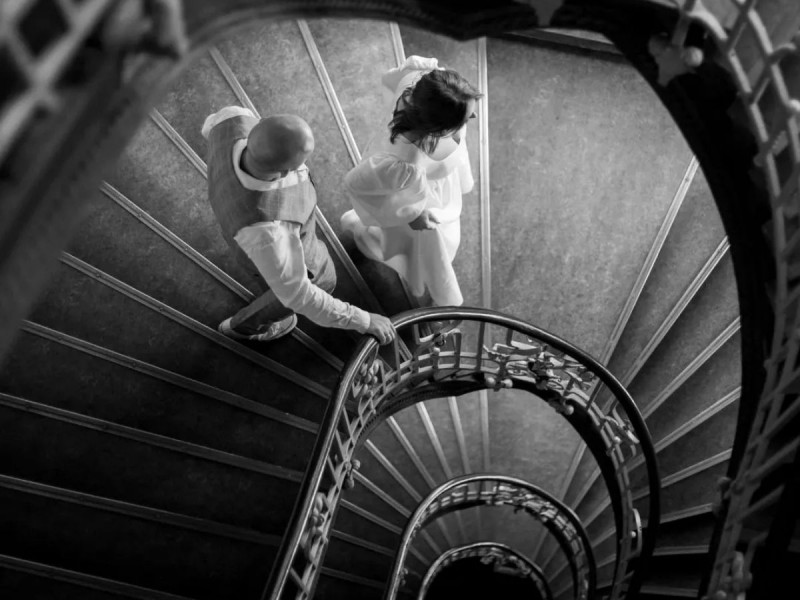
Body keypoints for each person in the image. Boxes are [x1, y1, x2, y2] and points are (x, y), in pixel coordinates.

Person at [203, 106, 396, 345]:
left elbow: (209, 129)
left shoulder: (232, 118)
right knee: (287, 293)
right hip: (281, 253)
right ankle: (242, 328)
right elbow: (298, 295)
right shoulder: (269, 233)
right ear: (286, 172)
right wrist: (364, 320)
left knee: (277, 282)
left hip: (234, 217)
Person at [341, 56, 481, 307]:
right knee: (435, 248)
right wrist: (414, 213)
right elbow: (356, 183)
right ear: (437, 130)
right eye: (465, 117)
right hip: (423, 199)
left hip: (437, 179)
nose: (472, 117)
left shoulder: (423, 84)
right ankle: (442, 294)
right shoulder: (405, 163)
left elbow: (391, 78)